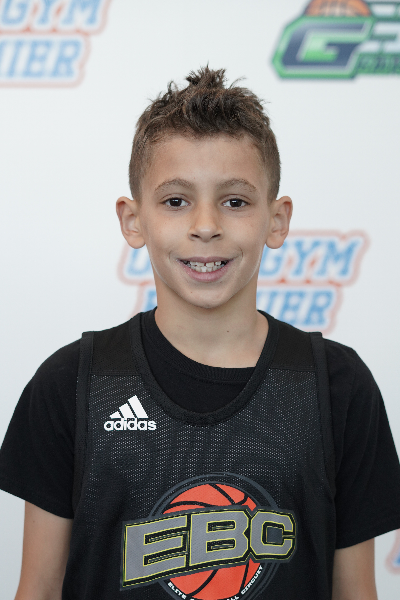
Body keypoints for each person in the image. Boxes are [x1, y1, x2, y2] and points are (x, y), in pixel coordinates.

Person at [1, 66, 400, 600]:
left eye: (235, 201)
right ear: (133, 220)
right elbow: (39, 590)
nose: (206, 225)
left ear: (277, 220)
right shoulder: (72, 383)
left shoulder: (336, 385)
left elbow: (356, 592)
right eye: (176, 201)